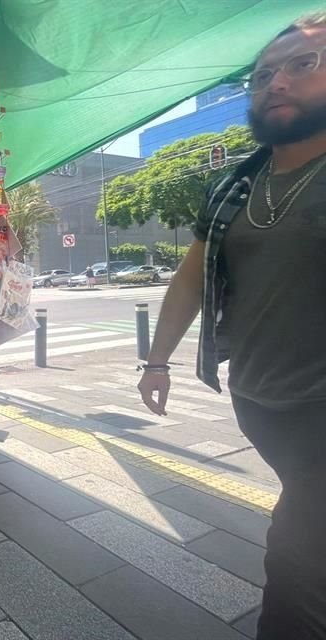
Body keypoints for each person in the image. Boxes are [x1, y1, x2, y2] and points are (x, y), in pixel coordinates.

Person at [137, 13, 326, 640]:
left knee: (297, 571)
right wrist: (157, 362)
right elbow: (190, 279)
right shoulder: (236, 185)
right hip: (259, 400)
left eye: (303, 64)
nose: (277, 82)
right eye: (263, 75)